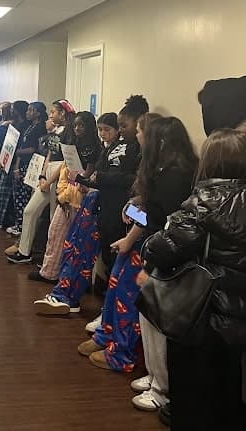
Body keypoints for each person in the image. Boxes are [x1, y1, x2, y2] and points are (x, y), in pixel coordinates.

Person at [141, 128, 246, 430]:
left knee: (193, 395)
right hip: (239, 318)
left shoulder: (205, 200)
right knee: (230, 390)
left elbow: (159, 249)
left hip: (204, 315)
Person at [78, 114, 198, 375]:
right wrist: (133, 216)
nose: (137, 136)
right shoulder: (162, 169)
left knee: (126, 293)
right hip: (146, 239)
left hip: (156, 247)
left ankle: (121, 354)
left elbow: (160, 221)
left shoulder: (175, 176)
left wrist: (132, 221)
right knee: (115, 284)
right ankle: (106, 336)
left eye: (141, 131)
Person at [32, 113, 118, 313]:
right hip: (90, 202)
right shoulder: (107, 150)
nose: (103, 134)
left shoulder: (108, 152)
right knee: (74, 247)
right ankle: (66, 290)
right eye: (101, 129)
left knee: (86, 252)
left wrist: (88, 182)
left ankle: (73, 295)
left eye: (108, 129)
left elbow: (109, 181)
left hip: (102, 207)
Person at [29, 111, 101, 284]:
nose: (77, 129)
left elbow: (90, 173)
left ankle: (69, 278)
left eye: (81, 125)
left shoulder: (97, 148)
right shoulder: (73, 142)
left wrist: (80, 182)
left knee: (76, 240)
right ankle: (50, 271)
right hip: (66, 191)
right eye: (75, 125)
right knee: (55, 232)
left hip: (83, 194)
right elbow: (65, 166)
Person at [6, 99, 75, 263]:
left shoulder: (68, 133)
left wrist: (49, 180)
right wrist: (43, 175)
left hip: (59, 175)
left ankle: (52, 259)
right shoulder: (55, 131)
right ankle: (24, 251)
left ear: (62, 113)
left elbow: (65, 161)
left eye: (53, 112)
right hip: (48, 172)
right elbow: (49, 154)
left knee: (53, 218)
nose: (50, 115)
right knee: (30, 210)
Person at [0, 100, 30, 229]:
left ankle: (0, 219)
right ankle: (0, 216)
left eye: (13, 109)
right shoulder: (13, 124)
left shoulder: (23, 126)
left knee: (4, 188)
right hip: (7, 158)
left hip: (14, 162)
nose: (11, 111)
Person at [7, 102, 48, 236]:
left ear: (38, 113)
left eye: (31, 110)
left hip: (31, 164)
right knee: (18, 194)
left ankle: (22, 226)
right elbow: (24, 144)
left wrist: (17, 152)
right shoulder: (30, 126)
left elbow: (34, 149)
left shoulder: (40, 128)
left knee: (24, 196)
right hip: (22, 163)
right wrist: (17, 165)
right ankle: (19, 223)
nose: (27, 112)